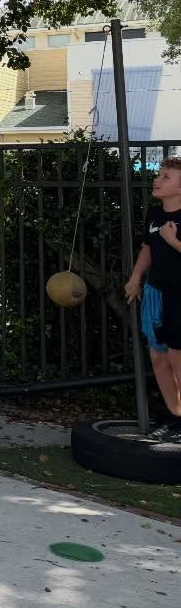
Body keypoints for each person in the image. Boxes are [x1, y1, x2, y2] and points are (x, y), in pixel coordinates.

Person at [125, 158, 181, 440]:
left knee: (177, 356)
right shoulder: (156, 214)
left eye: (166, 177)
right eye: (159, 175)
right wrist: (136, 278)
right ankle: (175, 416)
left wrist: (173, 241)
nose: (157, 180)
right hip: (156, 293)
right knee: (158, 357)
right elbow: (147, 248)